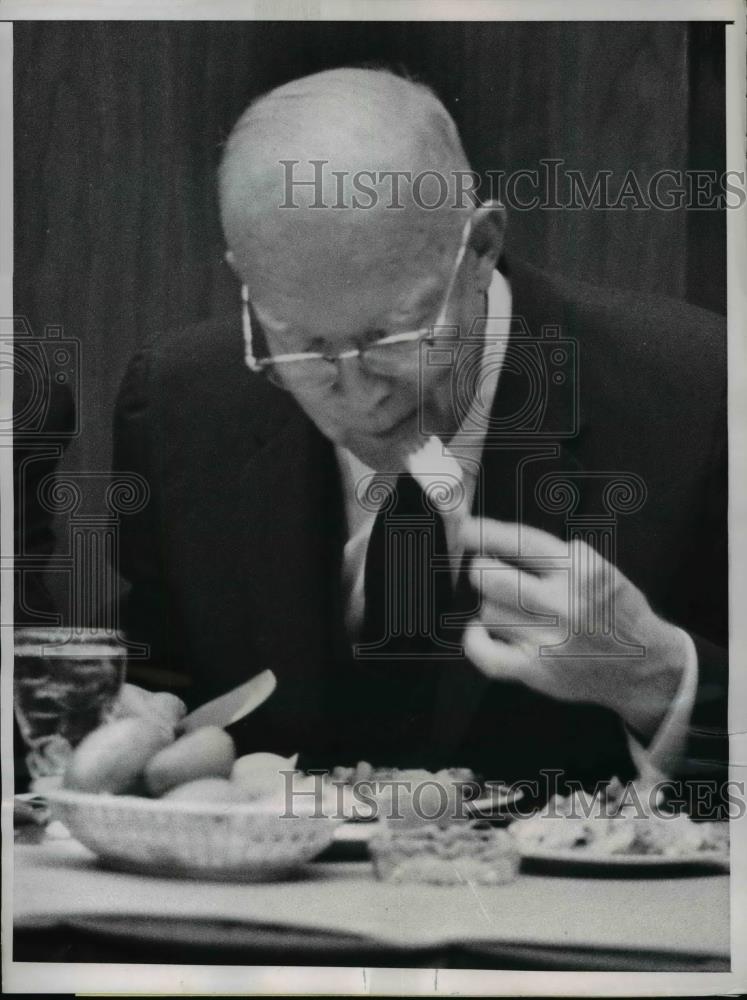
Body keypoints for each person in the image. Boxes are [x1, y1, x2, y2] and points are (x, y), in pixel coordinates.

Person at [112, 68, 727, 801]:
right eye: (300, 345)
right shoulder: (182, 406)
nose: (359, 391)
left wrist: (658, 678)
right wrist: (127, 720)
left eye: (395, 334)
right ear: (244, 279)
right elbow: (157, 688)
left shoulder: (704, 393)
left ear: (482, 245)